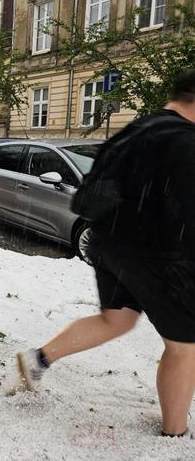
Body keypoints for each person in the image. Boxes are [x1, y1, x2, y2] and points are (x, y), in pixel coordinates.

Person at [16, 70, 195, 438]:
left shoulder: (138, 129)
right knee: (184, 347)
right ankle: (174, 434)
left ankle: (39, 359)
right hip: (158, 255)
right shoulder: (185, 141)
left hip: (109, 245)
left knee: (117, 320)